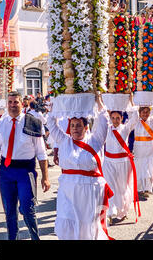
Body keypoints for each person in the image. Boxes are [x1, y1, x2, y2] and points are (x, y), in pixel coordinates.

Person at [0, 91, 50, 240]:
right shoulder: (0, 124)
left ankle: (35, 237)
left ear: (22, 104)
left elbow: (41, 152)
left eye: (16, 102)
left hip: (26, 172)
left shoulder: (32, 122)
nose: (13, 105)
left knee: (27, 209)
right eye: (10, 102)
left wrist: (45, 177)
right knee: (9, 212)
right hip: (6, 172)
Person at [46, 94, 114, 240]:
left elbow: (104, 120)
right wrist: (56, 106)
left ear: (86, 127)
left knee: (88, 225)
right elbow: (51, 123)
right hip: (68, 191)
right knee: (67, 221)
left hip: (90, 191)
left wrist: (99, 102)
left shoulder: (95, 140)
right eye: (72, 125)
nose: (75, 129)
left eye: (78, 125)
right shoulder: (64, 140)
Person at [103, 100, 140, 225]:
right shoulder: (106, 129)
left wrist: (130, 101)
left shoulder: (125, 128)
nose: (115, 120)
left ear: (121, 118)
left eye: (117, 118)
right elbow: (100, 116)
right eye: (113, 118)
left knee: (122, 189)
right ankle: (110, 212)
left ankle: (122, 211)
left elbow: (135, 117)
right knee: (110, 187)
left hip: (123, 163)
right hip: (108, 162)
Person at [132, 106, 153, 198]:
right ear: (139, 113)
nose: (145, 114)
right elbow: (132, 110)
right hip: (138, 148)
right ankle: (139, 189)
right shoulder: (136, 121)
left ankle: (148, 188)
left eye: (147, 112)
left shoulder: (152, 121)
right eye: (143, 112)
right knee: (139, 167)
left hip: (149, 148)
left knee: (148, 167)